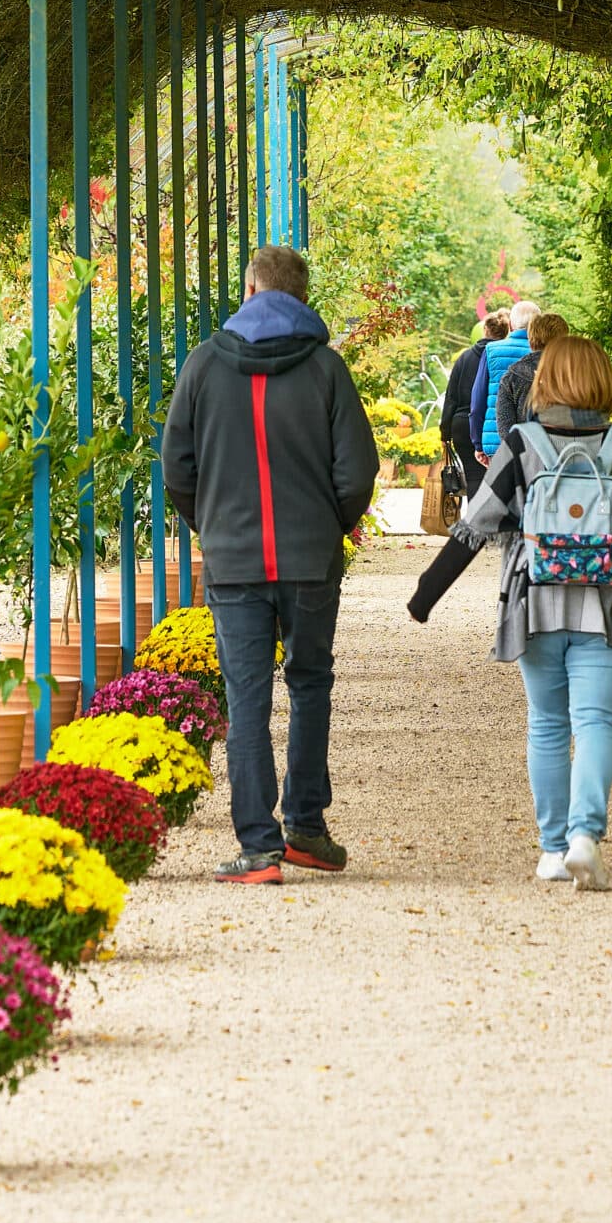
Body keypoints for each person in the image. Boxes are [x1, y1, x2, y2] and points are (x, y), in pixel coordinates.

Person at [406, 333, 612, 890]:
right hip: (607, 604)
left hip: (534, 602)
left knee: (548, 724)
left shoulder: (523, 443)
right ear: (603, 380)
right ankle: (586, 838)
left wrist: (426, 594)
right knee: (597, 722)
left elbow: (474, 526)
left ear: (545, 380)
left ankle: (553, 851)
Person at [162, 241, 378, 886]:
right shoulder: (326, 370)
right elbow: (357, 472)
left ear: (251, 292)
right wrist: (329, 525)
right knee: (310, 682)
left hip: (234, 563)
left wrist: (215, 526)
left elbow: (178, 468)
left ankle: (258, 848)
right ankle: (307, 828)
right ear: (302, 299)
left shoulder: (203, 365)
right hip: (310, 558)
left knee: (246, 697)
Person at [443, 312, 506, 499]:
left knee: (473, 478)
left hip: (462, 425)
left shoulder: (465, 357)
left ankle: (475, 524)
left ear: (485, 330)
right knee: (498, 480)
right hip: (493, 424)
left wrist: (444, 432)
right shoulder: (502, 357)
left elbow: (451, 397)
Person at [473, 297, 540, 465]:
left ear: (510, 325)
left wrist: (478, 444)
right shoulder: (546, 353)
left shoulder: (491, 350)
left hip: (496, 442)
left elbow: (478, 400)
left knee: (503, 491)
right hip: (538, 443)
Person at [495, 310, 569, 444]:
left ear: (531, 340)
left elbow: (505, 429)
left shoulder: (512, 376)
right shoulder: (575, 374)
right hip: (570, 456)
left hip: (527, 457)